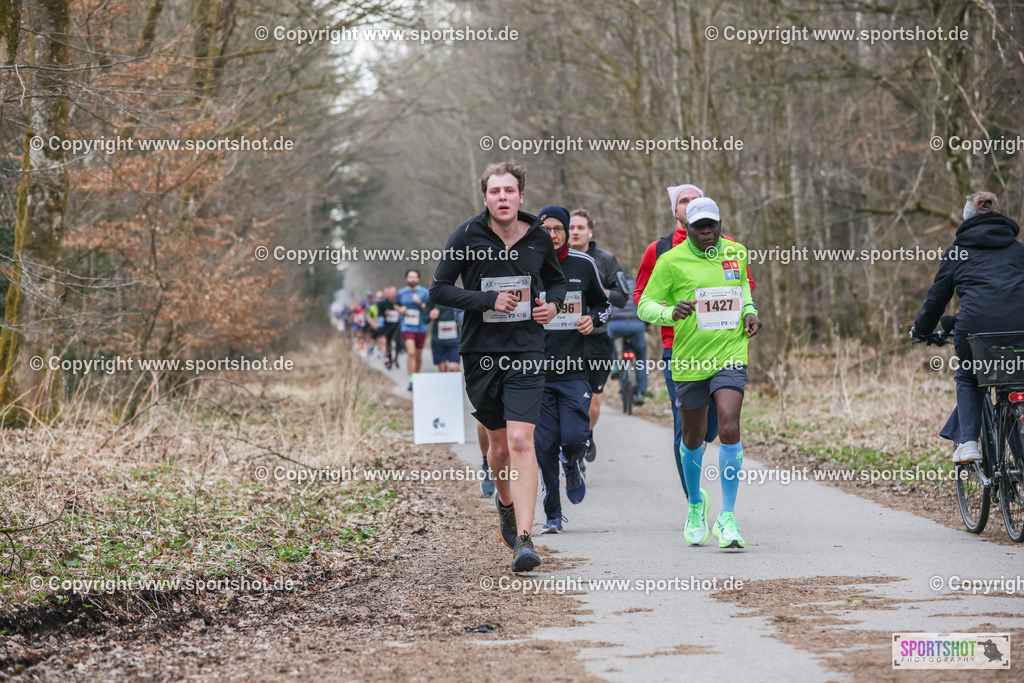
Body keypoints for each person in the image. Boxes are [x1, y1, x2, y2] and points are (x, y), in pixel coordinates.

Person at [430, 161, 567, 572]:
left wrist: (552, 305)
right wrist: (487, 300)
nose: (502, 197)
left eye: (509, 191)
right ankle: (504, 504)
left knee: (522, 442)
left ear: (521, 196)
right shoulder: (466, 235)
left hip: (527, 350)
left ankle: (525, 539)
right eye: (495, 191)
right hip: (481, 354)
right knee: (500, 448)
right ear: (486, 197)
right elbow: (439, 289)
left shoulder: (539, 237)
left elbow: (556, 282)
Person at [637, 197, 761, 549]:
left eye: (711, 224)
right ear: (687, 228)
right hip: (689, 359)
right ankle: (695, 505)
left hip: (730, 352)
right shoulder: (670, 261)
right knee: (692, 437)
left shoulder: (736, 252)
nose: (706, 231)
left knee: (729, 425)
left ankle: (727, 517)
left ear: (720, 225)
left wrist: (750, 310)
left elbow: (743, 287)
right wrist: (669, 313)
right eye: (698, 226)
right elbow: (645, 303)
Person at [911, 191, 1024, 463]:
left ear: (967, 219)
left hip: (975, 330)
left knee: (969, 376)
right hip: (1020, 330)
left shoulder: (957, 252)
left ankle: (968, 442)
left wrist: (921, 329)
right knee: (1016, 380)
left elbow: (937, 298)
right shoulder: (1019, 250)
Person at [534, 206, 610, 533]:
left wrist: (592, 319)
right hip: (535, 371)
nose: (552, 235)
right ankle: (552, 514)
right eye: (545, 229)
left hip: (575, 368)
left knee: (576, 438)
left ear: (567, 232)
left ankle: (572, 462)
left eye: (558, 229)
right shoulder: (526, 264)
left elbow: (604, 305)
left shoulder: (583, 264)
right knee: (544, 445)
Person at [569, 209, 627, 463]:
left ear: (590, 232)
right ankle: (570, 443)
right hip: (565, 341)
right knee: (567, 398)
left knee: (593, 402)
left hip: (598, 339)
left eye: (580, 227)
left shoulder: (606, 260)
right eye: (571, 227)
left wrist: (598, 290)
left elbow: (622, 297)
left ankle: (587, 435)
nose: (575, 232)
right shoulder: (555, 259)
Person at [607, 275, 648, 405]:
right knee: (641, 358)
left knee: (608, 341)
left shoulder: (613, 287)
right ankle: (641, 393)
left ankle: (614, 365)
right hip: (636, 324)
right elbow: (646, 307)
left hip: (616, 325)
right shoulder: (639, 286)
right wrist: (646, 325)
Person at [396, 269, 433, 390]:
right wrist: (400, 309)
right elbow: (396, 304)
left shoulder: (424, 292)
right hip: (407, 326)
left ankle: (416, 377)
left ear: (418, 279)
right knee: (411, 352)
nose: (412, 279)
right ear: (406, 279)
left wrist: (419, 302)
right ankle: (411, 380)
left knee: (418, 356)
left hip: (421, 327)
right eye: (410, 277)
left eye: (415, 277)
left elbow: (428, 308)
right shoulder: (401, 292)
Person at [429, 302, 464, 372]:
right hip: (438, 340)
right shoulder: (433, 298)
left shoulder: (457, 297)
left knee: (453, 367)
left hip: (454, 340)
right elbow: (424, 318)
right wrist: (430, 315)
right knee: (442, 369)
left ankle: (457, 378)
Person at [377, 286, 401, 368]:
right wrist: (384, 314)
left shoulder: (399, 302)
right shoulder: (382, 303)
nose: (392, 295)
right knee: (387, 342)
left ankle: (396, 358)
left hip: (397, 326)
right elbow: (379, 316)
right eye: (391, 293)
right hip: (386, 326)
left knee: (398, 342)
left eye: (394, 293)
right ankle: (389, 358)